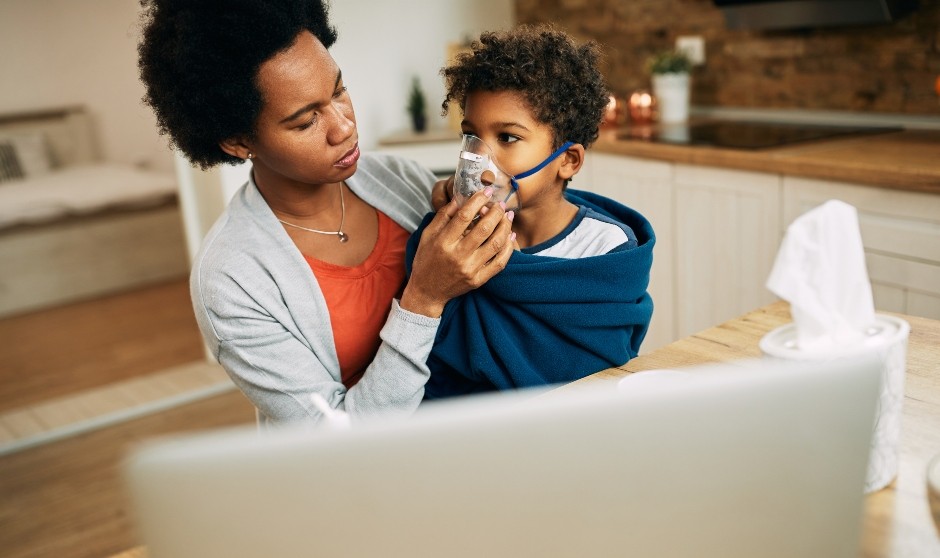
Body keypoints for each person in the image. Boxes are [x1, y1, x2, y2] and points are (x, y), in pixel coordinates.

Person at [137, 0, 514, 425]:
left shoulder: (400, 179)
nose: (344, 126)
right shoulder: (230, 280)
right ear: (238, 142)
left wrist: (485, 212)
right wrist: (423, 299)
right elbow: (335, 437)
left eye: (338, 91)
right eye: (305, 122)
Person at [406, 24, 655, 399]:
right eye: (470, 136)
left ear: (568, 160)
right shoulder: (453, 241)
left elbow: (596, 369)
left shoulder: (606, 250)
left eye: (508, 138)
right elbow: (431, 351)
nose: (480, 163)